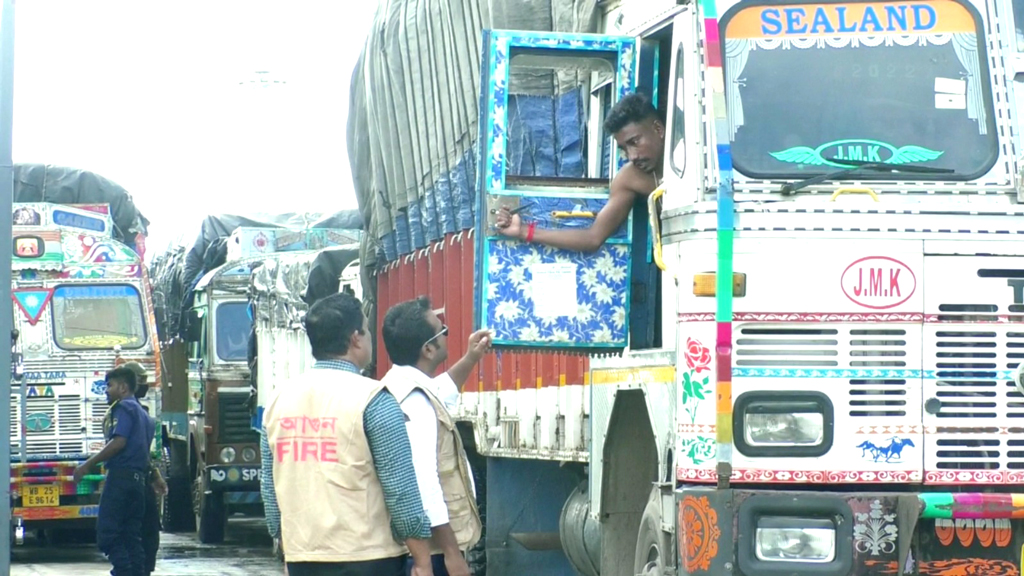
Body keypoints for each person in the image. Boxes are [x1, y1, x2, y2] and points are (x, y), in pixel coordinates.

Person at [260, 292, 436, 576]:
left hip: (303, 556)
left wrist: (285, 545)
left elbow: (270, 487)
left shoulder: (278, 400)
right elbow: (401, 489)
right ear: (356, 339)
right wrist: (422, 560)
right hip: (368, 557)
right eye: (366, 331)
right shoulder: (373, 399)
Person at [380, 298, 491, 576]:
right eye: (443, 331)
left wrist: (471, 357)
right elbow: (424, 482)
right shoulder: (414, 401)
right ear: (428, 349)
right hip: (432, 552)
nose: (446, 335)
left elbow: (440, 391)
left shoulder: (401, 385)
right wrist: (453, 554)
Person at [495, 92, 666, 252]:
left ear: (658, 129)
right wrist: (523, 231)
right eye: (624, 149)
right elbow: (592, 238)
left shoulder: (692, 152)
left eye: (635, 142)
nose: (632, 156)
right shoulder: (630, 178)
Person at [73, 367, 151, 576]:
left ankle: (123, 572)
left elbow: (119, 442)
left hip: (120, 479)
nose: (106, 390)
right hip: (138, 482)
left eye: (110, 386)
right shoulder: (144, 414)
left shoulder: (124, 408)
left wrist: (88, 464)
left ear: (123, 388)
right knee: (131, 535)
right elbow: (145, 451)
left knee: (107, 533)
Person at [121, 361, 168, 576]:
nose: (145, 386)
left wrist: (154, 474)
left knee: (149, 531)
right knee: (136, 533)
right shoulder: (125, 412)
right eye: (142, 381)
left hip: (142, 479)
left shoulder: (138, 411)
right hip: (131, 481)